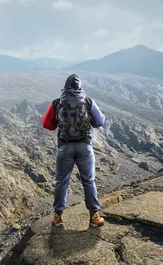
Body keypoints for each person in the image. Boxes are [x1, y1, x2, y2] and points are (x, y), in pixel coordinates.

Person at [41, 74, 106, 228]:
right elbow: (100, 121)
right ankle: (94, 216)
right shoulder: (88, 101)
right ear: (80, 87)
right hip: (85, 147)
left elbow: (46, 124)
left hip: (65, 148)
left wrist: (60, 125)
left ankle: (57, 217)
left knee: (62, 181)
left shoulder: (57, 103)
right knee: (89, 181)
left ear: (65, 87)